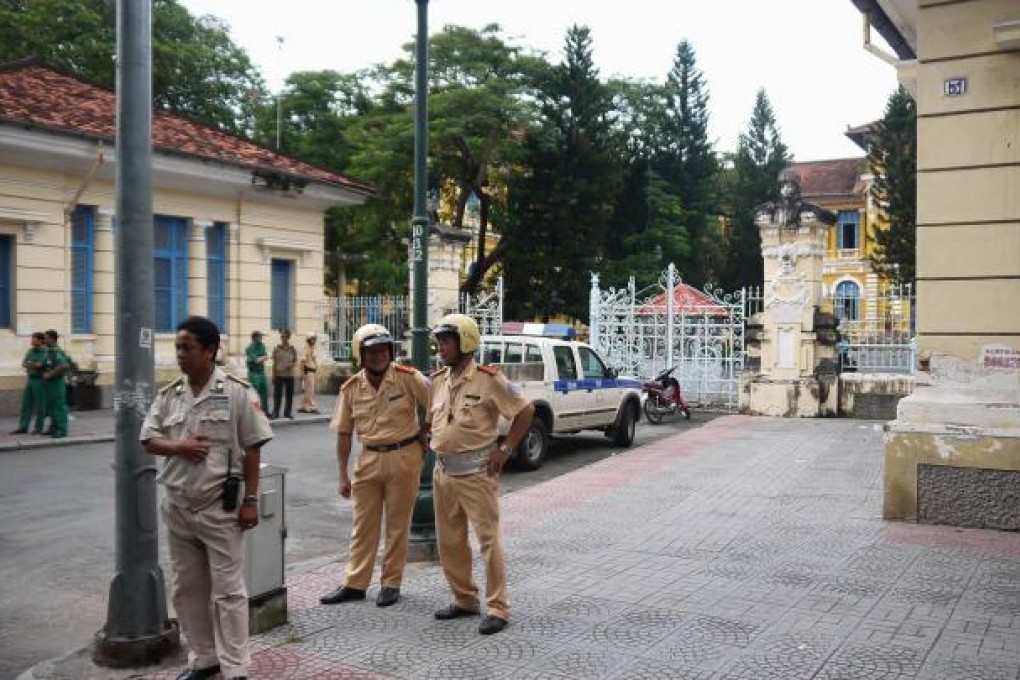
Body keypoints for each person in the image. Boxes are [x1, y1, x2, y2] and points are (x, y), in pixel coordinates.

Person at [140, 316, 273, 680]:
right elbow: (149, 439)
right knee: (188, 590)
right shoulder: (169, 396)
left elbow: (252, 450)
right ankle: (203, 658)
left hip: (220, 509)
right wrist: (179, 445)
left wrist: (250, 501)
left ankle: (236, 668)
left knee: (229, 592)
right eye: (178, 347)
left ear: (210, 350)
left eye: (187, 347)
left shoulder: (237, 393)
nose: (180, 355)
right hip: (179, 508)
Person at [428, 313, 534, 635]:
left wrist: (506, 449)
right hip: (443, 473)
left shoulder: (489, 379)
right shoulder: (440, 379)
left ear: (465, 342)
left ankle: (498, 607)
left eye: (446, 341)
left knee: (488, 541)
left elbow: (524, 409)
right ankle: (464, 600)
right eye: (440, 341)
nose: (441, 347)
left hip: (476, 473)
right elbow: (439, 418)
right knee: (450, 541)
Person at [320, 324, 430, 608]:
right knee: (362, 525)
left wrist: (426, 430)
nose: (379, 355)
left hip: (404, 456)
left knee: (397, 524)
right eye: (372, 351)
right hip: (368, 459)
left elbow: (438, 403)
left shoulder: (408, 378)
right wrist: (342, 474)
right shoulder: (351, 388)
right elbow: (344, 433)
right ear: (361, 355)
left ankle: (391, 583)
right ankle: (355, 583)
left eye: (384, 350)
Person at [10, 332, 47, 435]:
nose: (32, 341)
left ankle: (38, 427)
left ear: (40, 341)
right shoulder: (30, 351)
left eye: (34, 339)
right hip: (30, 380)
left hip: (40, 381)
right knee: (26, 404)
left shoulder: (45, 352)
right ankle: (23, 427)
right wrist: (33, 365)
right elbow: (24, 363)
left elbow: (40, 366)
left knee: (40, 405)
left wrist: (32, 364)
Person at [41, 329, 70, 438]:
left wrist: (50, 374)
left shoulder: (57, 351)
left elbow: (64, 365)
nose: (44, 340)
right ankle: (53, 427)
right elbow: (46, 364)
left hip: (57, 383)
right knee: (51, 407)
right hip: (50, 384)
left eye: (46, 338)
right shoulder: (49, 351)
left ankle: (62, 429)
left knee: (58, 407)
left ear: (52, 339)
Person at [271, 328, 297, 420]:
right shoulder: (277, 348)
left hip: (289, 375)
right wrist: (273, 375)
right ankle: (276, 412)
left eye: (285, 336)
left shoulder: (292, 349)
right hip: (279, 375)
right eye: (282, 336)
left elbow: (295, 361)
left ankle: (287, 413)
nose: (283, 338)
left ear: (288, 337)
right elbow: (274, 362)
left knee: (289, 395)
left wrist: (291, 365)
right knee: (277, 395)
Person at [244, 331, 269, 413]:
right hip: (253, 373)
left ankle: (265, 411)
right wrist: (262, 358)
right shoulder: (249, 348)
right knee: (254, 393)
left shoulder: (262, 346)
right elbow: (256, 360)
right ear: (254, 338)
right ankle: (254, 412)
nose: (261, 338)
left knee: (265, 392)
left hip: (261, 372)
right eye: (259, 337)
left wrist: (261, 358)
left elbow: (266, 357)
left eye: (261, 337)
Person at [298, 332, 320, 414]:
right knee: (310, 390)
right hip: (308, 371)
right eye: (312, 339)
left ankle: (303, 406)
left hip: (311, 371)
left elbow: (313, 359)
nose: (314, 340)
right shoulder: (306, 349)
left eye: (314, 339)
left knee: (307, 390)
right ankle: (311, 406)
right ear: (308, 339)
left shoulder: (312, 348)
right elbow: (303, 362)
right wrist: (302, 374)